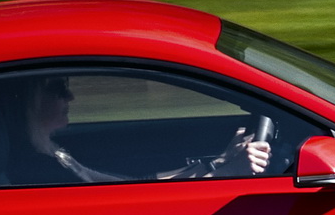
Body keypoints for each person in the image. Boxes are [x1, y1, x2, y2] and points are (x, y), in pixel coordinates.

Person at [19, 75, 272, 184]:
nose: (70, 96)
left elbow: (131, 186)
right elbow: (129, 209)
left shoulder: (53, 155)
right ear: (28, 101)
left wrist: (218, 163)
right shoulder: (42, 168)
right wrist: (228, 172)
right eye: (57, 89)